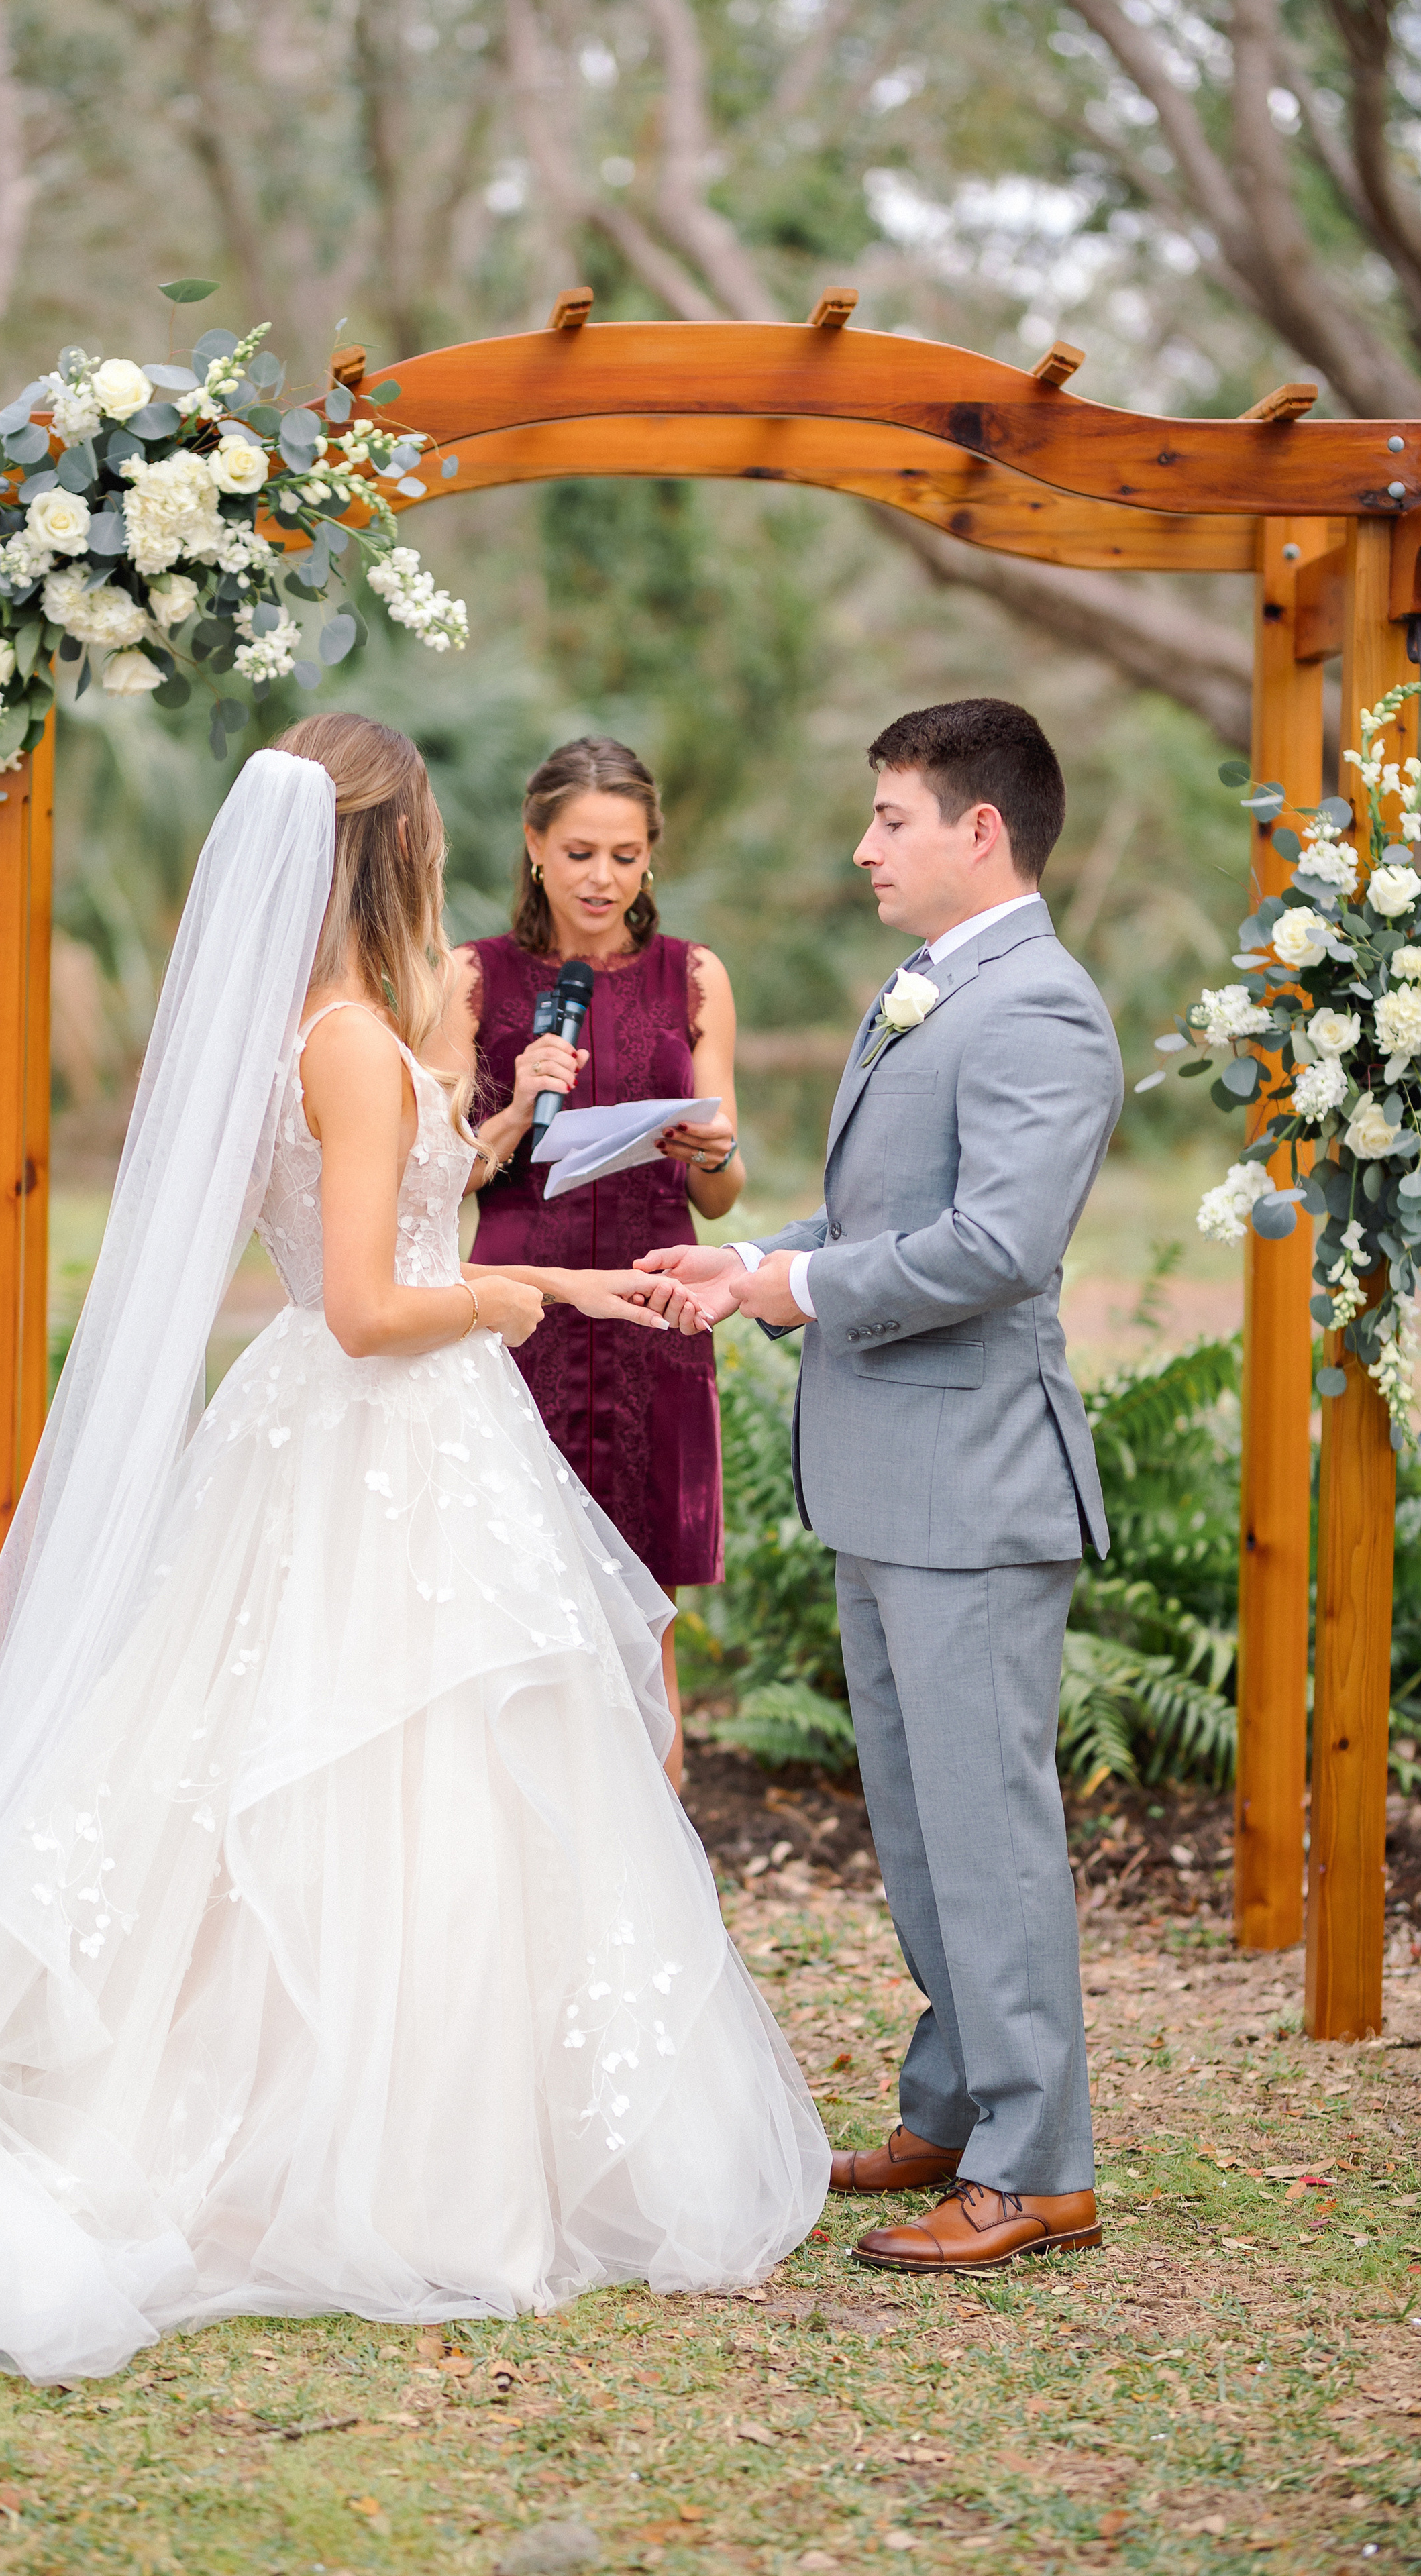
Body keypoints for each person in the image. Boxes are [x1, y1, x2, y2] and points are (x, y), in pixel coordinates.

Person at [0, 716, 827, 2385]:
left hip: (357, 1429)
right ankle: (380, 2157)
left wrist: (562, 1278)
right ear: (396, 849)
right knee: (393, 1768)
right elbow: (368, 1308)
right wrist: (509, 1298)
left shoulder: (317, 1028)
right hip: (383, 1431)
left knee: (364, 1765)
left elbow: (389, 1243)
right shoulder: (352, 1045)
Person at [639, 699, 1123, 2278]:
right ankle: (955, 2108)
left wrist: (795, 1287)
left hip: (971, 1487)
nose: (863, 848)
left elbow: (995, 1248)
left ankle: (1036, 2169)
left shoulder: (1036, 1007)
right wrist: (748, 1260)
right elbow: (880, 1218)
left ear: (979, 829)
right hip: (889, 1483)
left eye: (890, 817)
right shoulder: (933, 986)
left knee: (985, 1834)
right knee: (921, 1836)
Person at [443, 739, 743, 1788]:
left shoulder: (694, 976)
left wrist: (715, 1152)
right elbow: (436, 1180)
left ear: (652, 854)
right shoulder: (470, 977)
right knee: (511, 1583)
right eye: (578, 853)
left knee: (648, 1593)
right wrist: (515, 1109)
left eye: (624, 855)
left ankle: (656, 1826)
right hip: (519, 1306)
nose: (602, 878)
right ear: (534, 846)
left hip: (655, 1302)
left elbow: (721, 1196)